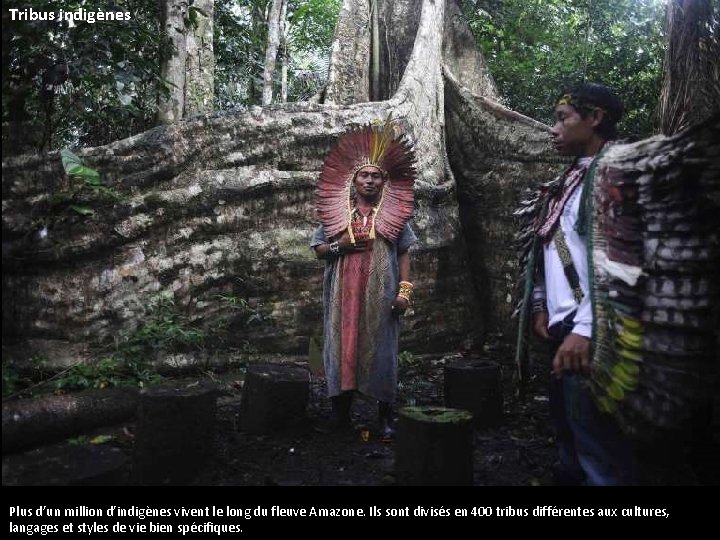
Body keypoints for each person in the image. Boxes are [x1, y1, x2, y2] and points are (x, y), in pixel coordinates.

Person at [516, 82, 637, 485]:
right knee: (568, 432)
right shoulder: (568, 180)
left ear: (595, 118)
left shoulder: (617, 177)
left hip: (597, 331)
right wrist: (539, 305)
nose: (553, 129)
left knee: (599, 446)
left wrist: (586, 328)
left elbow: (624, 262)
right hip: (563, 328)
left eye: (562, 118)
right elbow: (549, 249)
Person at [310, 119, 418, 439]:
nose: (370, 181)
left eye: (376, 176)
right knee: (341, 349)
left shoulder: (395, 217)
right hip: (343, 294)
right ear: (354, 181)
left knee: (383, 349)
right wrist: (338, 245)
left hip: (382, 294)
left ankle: (384, 418)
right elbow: (318, 249)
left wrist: (405, 292)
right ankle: (341, 416)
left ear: (384, 182)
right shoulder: (336, 215)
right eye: (364, 175)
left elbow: (404, 254)